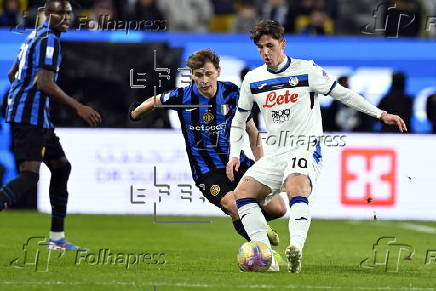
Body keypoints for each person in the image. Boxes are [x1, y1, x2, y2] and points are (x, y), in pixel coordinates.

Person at [226, 20, 407, 272]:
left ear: (283, 43)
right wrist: (234, 155)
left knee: (294, 185)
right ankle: (264, 254)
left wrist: (380, 114)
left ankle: (296, 249)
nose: (265, 52)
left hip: (305, 146)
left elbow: (343, 94)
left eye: (270, 45)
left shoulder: (307, 70)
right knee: (242, 194)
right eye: (260, 48)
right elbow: (239, 120)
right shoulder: (253, 80)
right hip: (276, 151)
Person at [129, 49, 287, 248]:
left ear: (218, 71)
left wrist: (261, 165)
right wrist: (136, 113)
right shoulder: (182, 96)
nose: (204, 79)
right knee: (233, 204)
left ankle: (258, 225)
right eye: (198, 74)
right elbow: (156, 100)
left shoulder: (232, 93)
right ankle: (262, 251)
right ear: (192, 75)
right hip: (206, 171)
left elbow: (252, 132)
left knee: (278, 209)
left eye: (209, 73)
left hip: (236, 163)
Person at [0, 0, 102, 251]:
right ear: (47, 14)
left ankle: (57, 239)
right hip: (29, 118)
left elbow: (14, 74)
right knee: (30, 175)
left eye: (68, 13)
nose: (66, 17)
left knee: (61, 167)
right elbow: (44, 83)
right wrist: (78, 107)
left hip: (37, 118)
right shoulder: (50, 40)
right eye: (59, 13)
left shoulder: (35, 35)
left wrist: (19, 98)